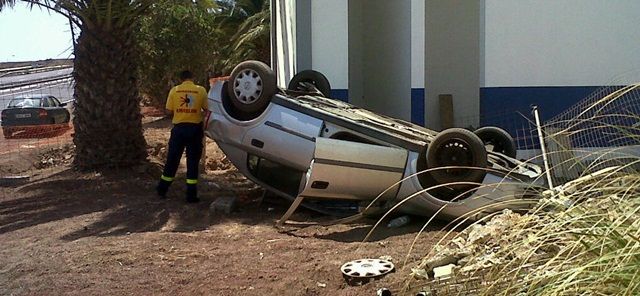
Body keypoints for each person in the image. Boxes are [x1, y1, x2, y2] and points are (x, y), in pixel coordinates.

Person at [156, 70, 208, 203]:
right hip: (195, 130)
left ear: (181, 79)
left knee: (172, 160)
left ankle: (162, 190)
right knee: (192, 162)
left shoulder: (174, 90)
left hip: (178, 130)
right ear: (192, 78)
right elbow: (207, 109)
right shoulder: (200, 90)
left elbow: (168, 110)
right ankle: (191, 195)